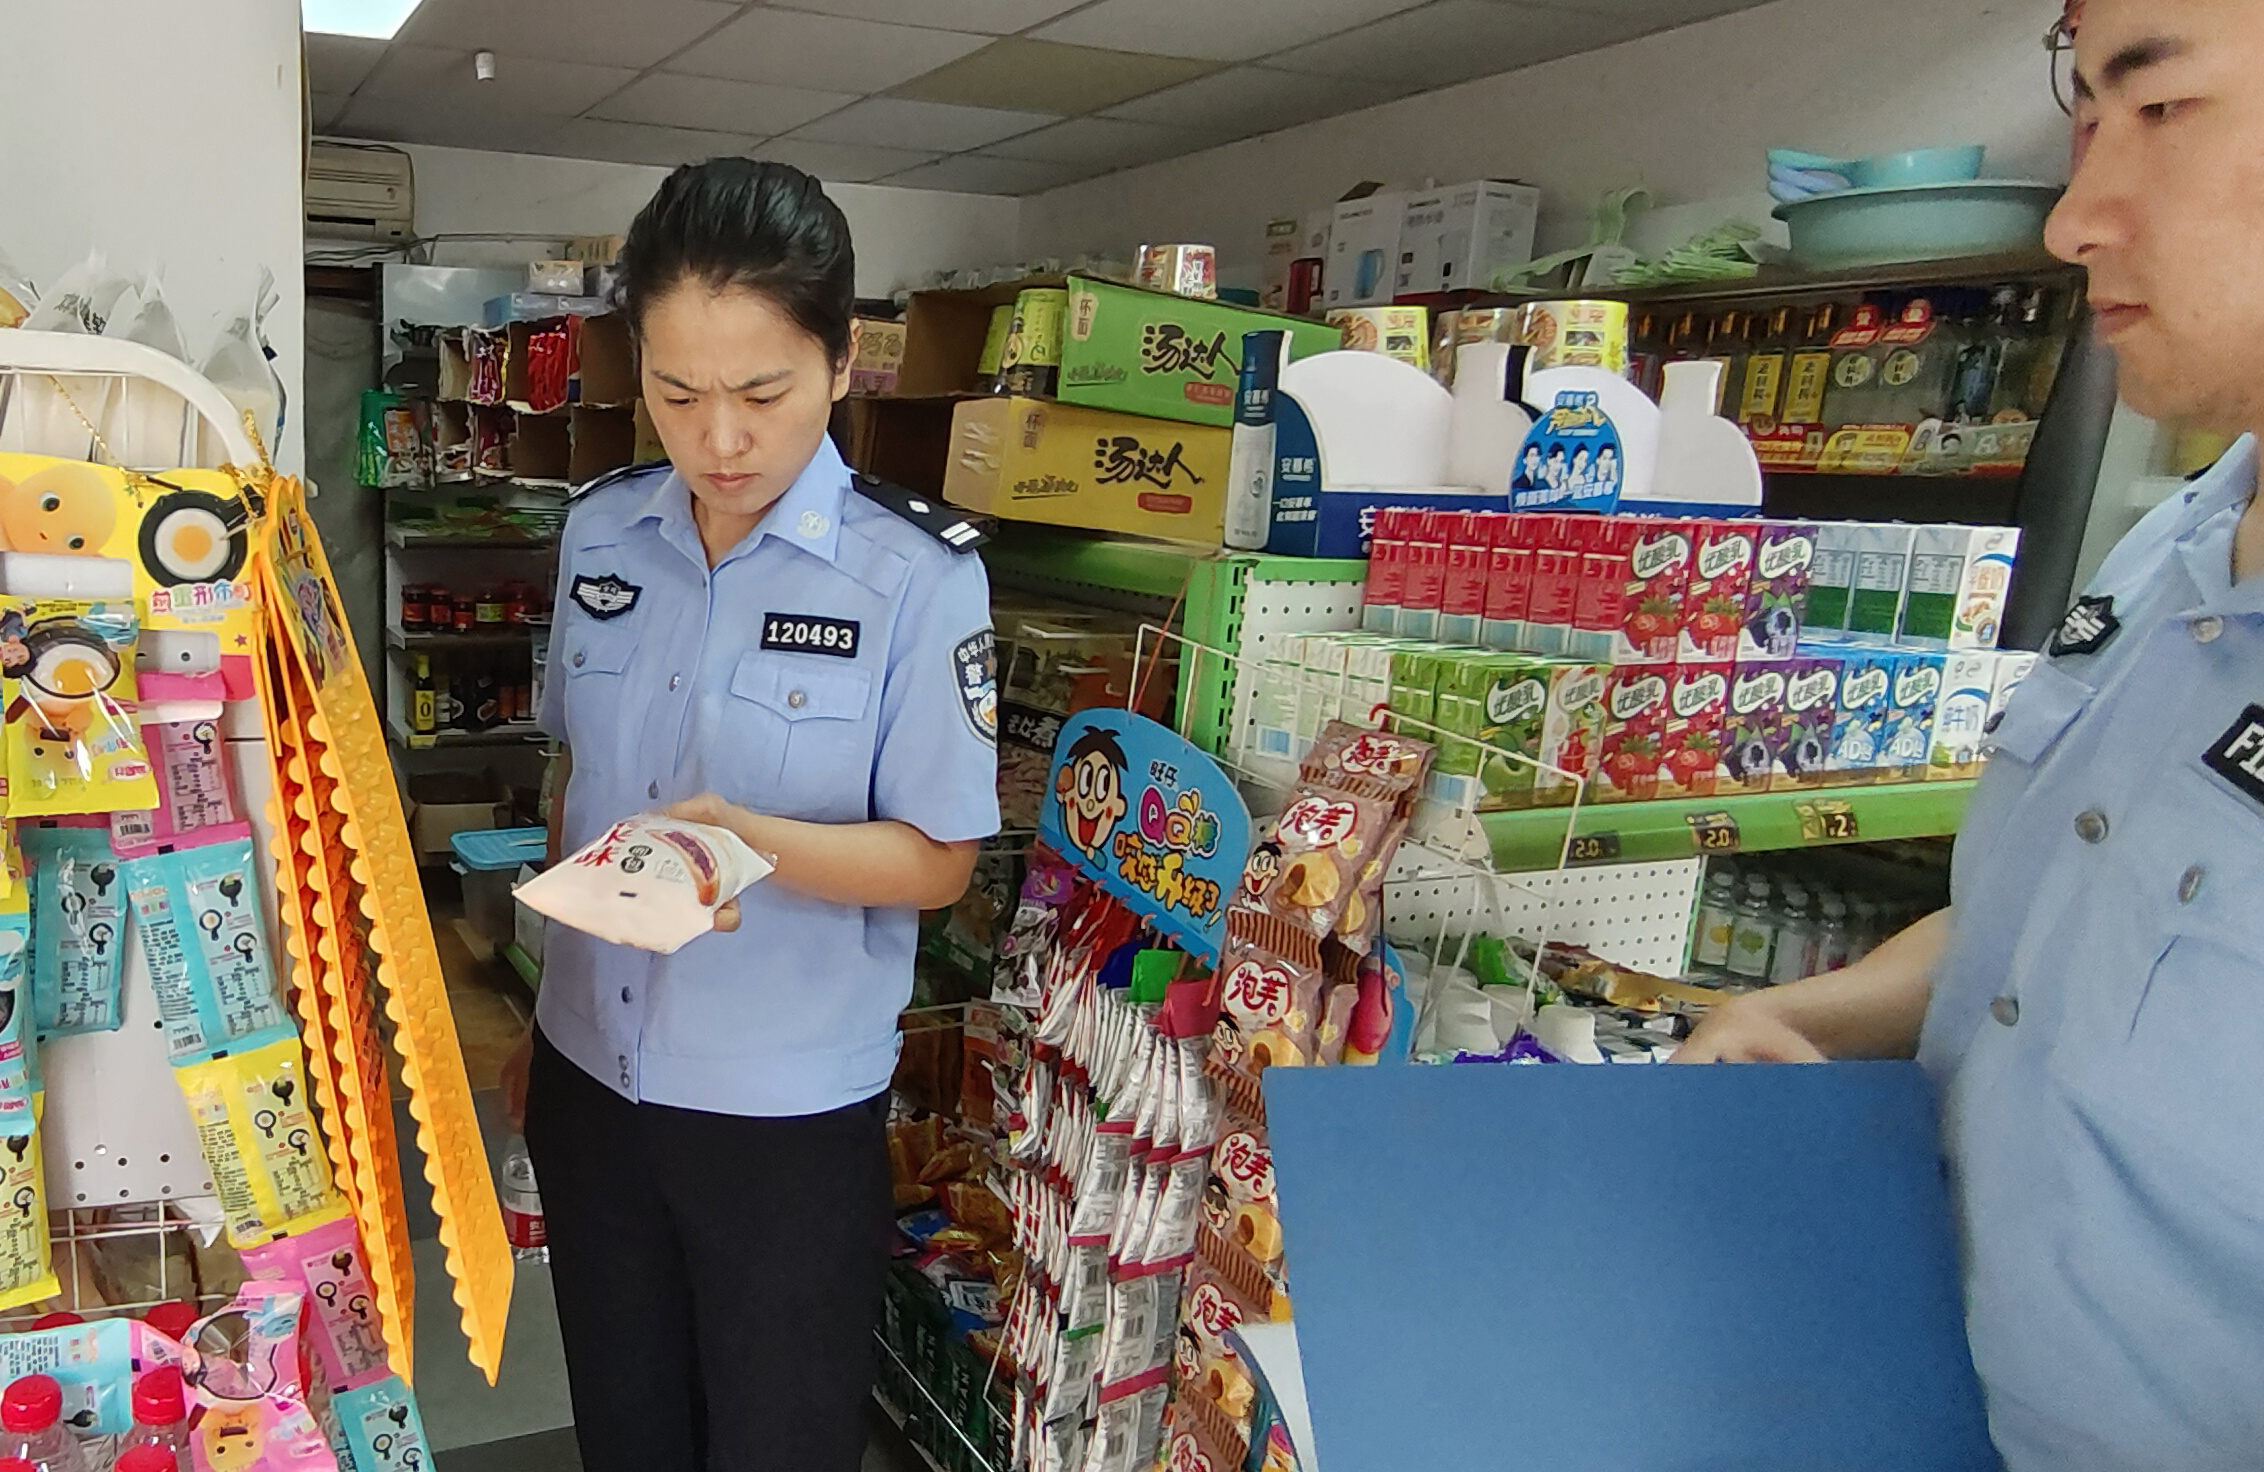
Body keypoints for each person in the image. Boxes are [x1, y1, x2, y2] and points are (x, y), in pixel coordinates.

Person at [1679, 1, 2264, 1464]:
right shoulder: (2176, 549)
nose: (2074, 218)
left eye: (2163, 107)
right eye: (2085, 115)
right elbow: (2062, 918)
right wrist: (1810, 1011)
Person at [499, 159, 999, 1472]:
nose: (718, 440)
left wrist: (753, 839)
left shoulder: (916, 576)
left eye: (763, 393)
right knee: (628, 1427)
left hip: (780, 1120)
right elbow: (573, 779)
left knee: (776, 1443)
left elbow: (943, 859)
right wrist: (548, 1005)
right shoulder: (603, 533)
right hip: (590, 1087)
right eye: (676, 393)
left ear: (841, 364)